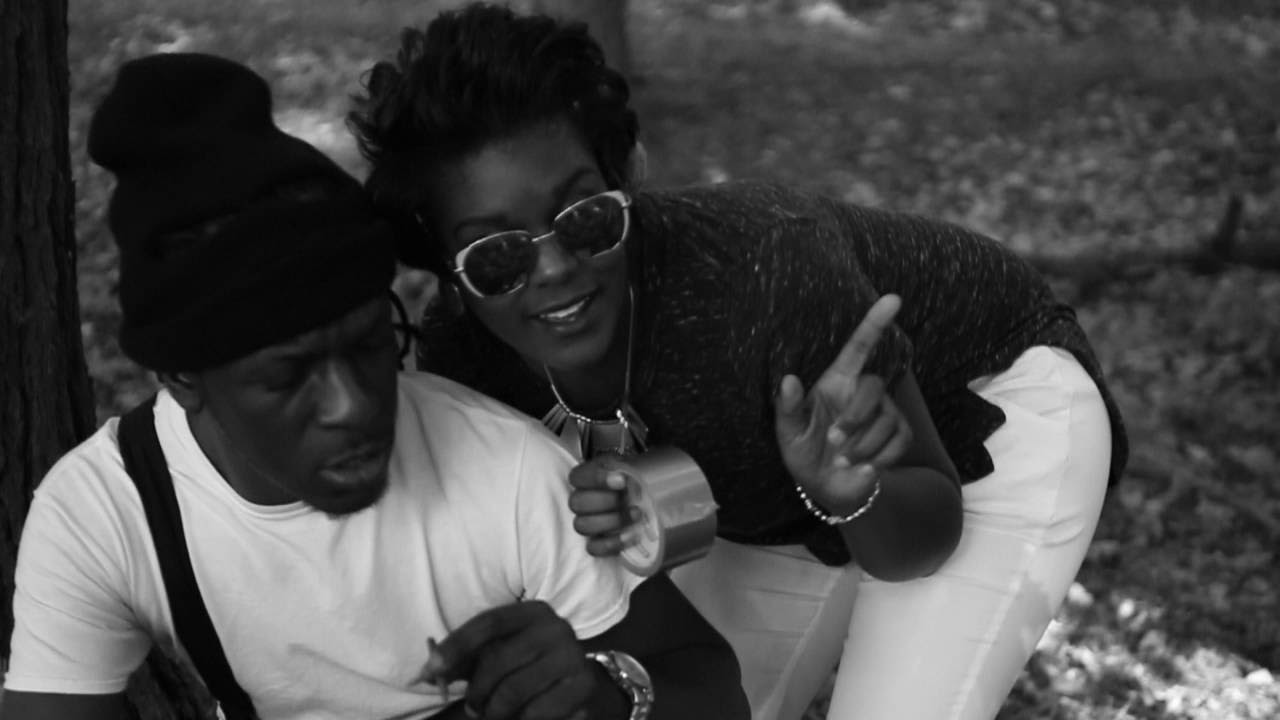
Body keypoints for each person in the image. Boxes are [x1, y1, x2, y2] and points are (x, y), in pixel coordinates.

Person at [348, 4, 1129, 719]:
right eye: (496, 255)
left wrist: (854, 489)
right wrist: (633, 505)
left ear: (627, 182)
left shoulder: (766, 276)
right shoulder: (463, 363)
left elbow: (923, 538)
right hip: (780, 493)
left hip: (985, 417)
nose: (553, 269)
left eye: (584, 218)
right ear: (442, 263)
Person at [0, 53, 749, 720]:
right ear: (181, 378)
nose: (354, 406)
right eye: (289, 377)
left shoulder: (509, 471)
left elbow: (709, 690)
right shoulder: (107, 515)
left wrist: (609, 693)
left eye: (369, 346)